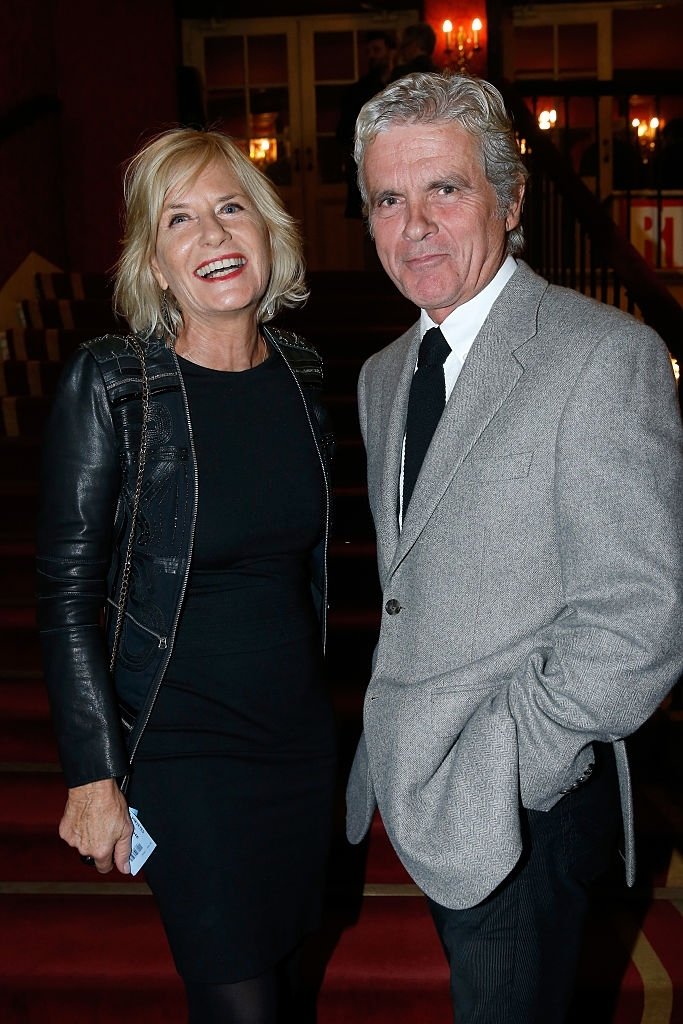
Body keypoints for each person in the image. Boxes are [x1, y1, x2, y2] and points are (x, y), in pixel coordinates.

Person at [344, 72, 683, 1023]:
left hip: (529, 804)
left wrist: (503, 766)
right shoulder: (382, 375)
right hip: (419, 785)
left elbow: (642, 618)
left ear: (511, 197)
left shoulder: (601, 356)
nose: (413, 224)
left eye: (443, 189)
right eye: (387, 198)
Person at [36, 127, 337, 1024]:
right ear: (155, 265)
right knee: (239, 1002)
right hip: (181, 750)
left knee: (287, 987)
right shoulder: (112, 384)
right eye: (181, 220)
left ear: (268, 233)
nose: (212, 235)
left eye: (230, 208)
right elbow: (65, 594)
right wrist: (94, 774)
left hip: (297, 744)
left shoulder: (306, 375)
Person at [336, 30, 396, 219]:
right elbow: (343, 134)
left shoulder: (402, 84)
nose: (372, 56)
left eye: (377, 50)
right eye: (369, 51)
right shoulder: (357, 92)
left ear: (391, 51)